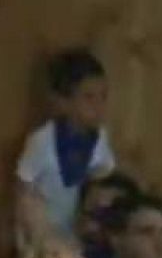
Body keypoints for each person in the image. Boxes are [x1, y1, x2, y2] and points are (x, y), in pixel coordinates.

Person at [15, 48, 118, 233]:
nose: (99, 107)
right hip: (42, 233)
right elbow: (23, 191)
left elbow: (103, 178)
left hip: (78, 231)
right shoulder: (42, 141)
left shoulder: (99, 138)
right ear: (62, 101)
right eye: (88, 98)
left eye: (103, 97)